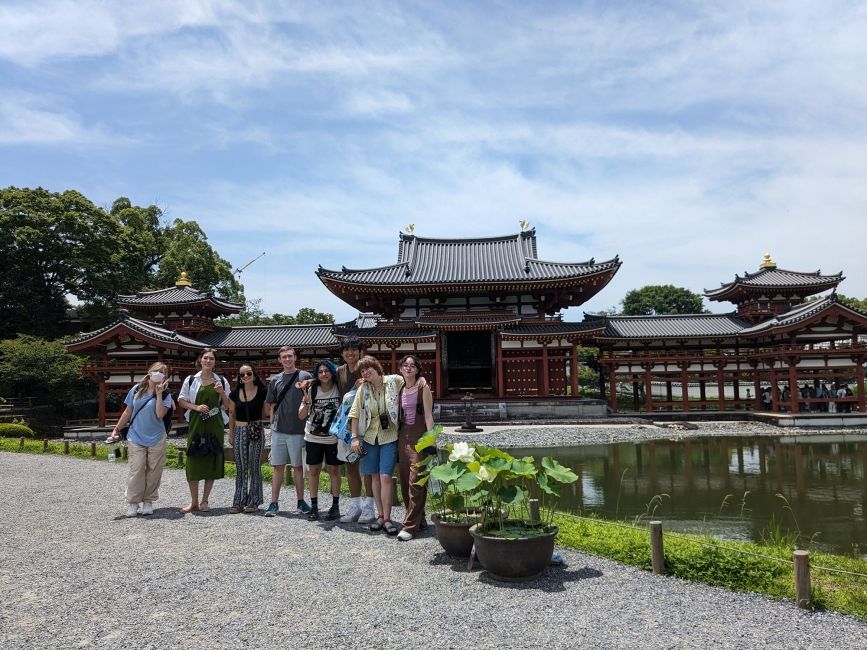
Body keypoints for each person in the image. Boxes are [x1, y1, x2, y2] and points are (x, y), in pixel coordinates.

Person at [107, 362, 172, 517]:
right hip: (136, 435)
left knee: (154, 470)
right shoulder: (136, 389)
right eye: (156, 371)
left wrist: (158, 394)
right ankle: (133, 502)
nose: (159, 374)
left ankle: (148, 500)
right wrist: (116, 429)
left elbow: (160, 414)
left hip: (157, 436)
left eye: (163, 372)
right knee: (136, 469)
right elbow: (128, 411)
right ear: (149, 372)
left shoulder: (166, 394)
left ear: (165, 377)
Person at [348, 355, 404, 535]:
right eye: (362, 371)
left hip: (390, 435)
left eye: (368, 368)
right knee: (373, 477)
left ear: (377, 367)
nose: (365, 372)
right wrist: (355, 438)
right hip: (370, 437)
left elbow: (411, 383)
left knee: (385, 476)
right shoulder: (363, 389)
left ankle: (388, 518)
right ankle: (380, 516)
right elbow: (355, 414)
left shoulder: (394, 381)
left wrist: (422, 383)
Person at [178, 348, 231, 513]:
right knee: (193, 459)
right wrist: (196, 407)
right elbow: (181, 401)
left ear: (215, 362)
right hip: (196, 423)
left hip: (215, 423)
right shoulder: (191, 380)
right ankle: (193, 501)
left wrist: (221, 393)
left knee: (212, 459)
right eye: (206, 358)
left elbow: (228, 405)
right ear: (200, 360)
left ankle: (205, 501)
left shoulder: (221, 380)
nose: (208, 361)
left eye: (212, 359)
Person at [264, 346, 312, 516]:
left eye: (290, 356)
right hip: (279, 429)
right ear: (279, 359)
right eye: (284, 357)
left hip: (299, 429)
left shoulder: (305, 376)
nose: (287, 359)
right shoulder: (275, 380)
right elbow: (272, 405)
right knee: (278, 467)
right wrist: (271, 426)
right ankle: (273, 503)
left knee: (299, 467)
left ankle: (300, 501)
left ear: (295, 357)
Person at [335, 337, 377, 524]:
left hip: (367, 423)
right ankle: (355, 505)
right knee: (351, 466)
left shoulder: (367, 366)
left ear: (360, 351)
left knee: (367, 467)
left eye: (353, 349)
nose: (350, 353)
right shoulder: (339, 371)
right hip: (347, 425)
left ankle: (369, 506)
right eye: (346, 350)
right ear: (342, 352)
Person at [395, 354, 435, 541]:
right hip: (404, 437)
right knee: (404, 481)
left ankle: (409, 526)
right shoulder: (401, 387)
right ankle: (421, 520)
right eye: (405, 365)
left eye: (412, 365)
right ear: (400, 369)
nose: (409, 368)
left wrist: (431, 439)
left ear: (418, 369)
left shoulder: (423, 387)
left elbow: (428, 415)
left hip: (419, 437)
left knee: (416, 481)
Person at [299, 359, 343, 521]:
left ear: (332, 372)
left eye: (326, 371)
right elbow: (301, 415)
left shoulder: (339, 388)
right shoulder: (312, 390)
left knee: (334, 471)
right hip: (312, 436)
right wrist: (305, 402)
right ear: (316, 375)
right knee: (313, 471)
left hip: (332, 437)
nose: (324, 374)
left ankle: (335, 506)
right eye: (320, 372)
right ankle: (314, 506)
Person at [227, 364, 269, 514]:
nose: (245, 376)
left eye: (248, 373)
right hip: (239, 429)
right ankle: (238, 501)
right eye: (242, 374)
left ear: (254, 374)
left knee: (254, 466)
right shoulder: (234, 393)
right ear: (239, 377)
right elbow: (231, 414)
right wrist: (231, 434)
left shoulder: (263, 391)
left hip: (256, 429)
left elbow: (267, 411)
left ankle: (254, 501)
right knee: (241, 466)